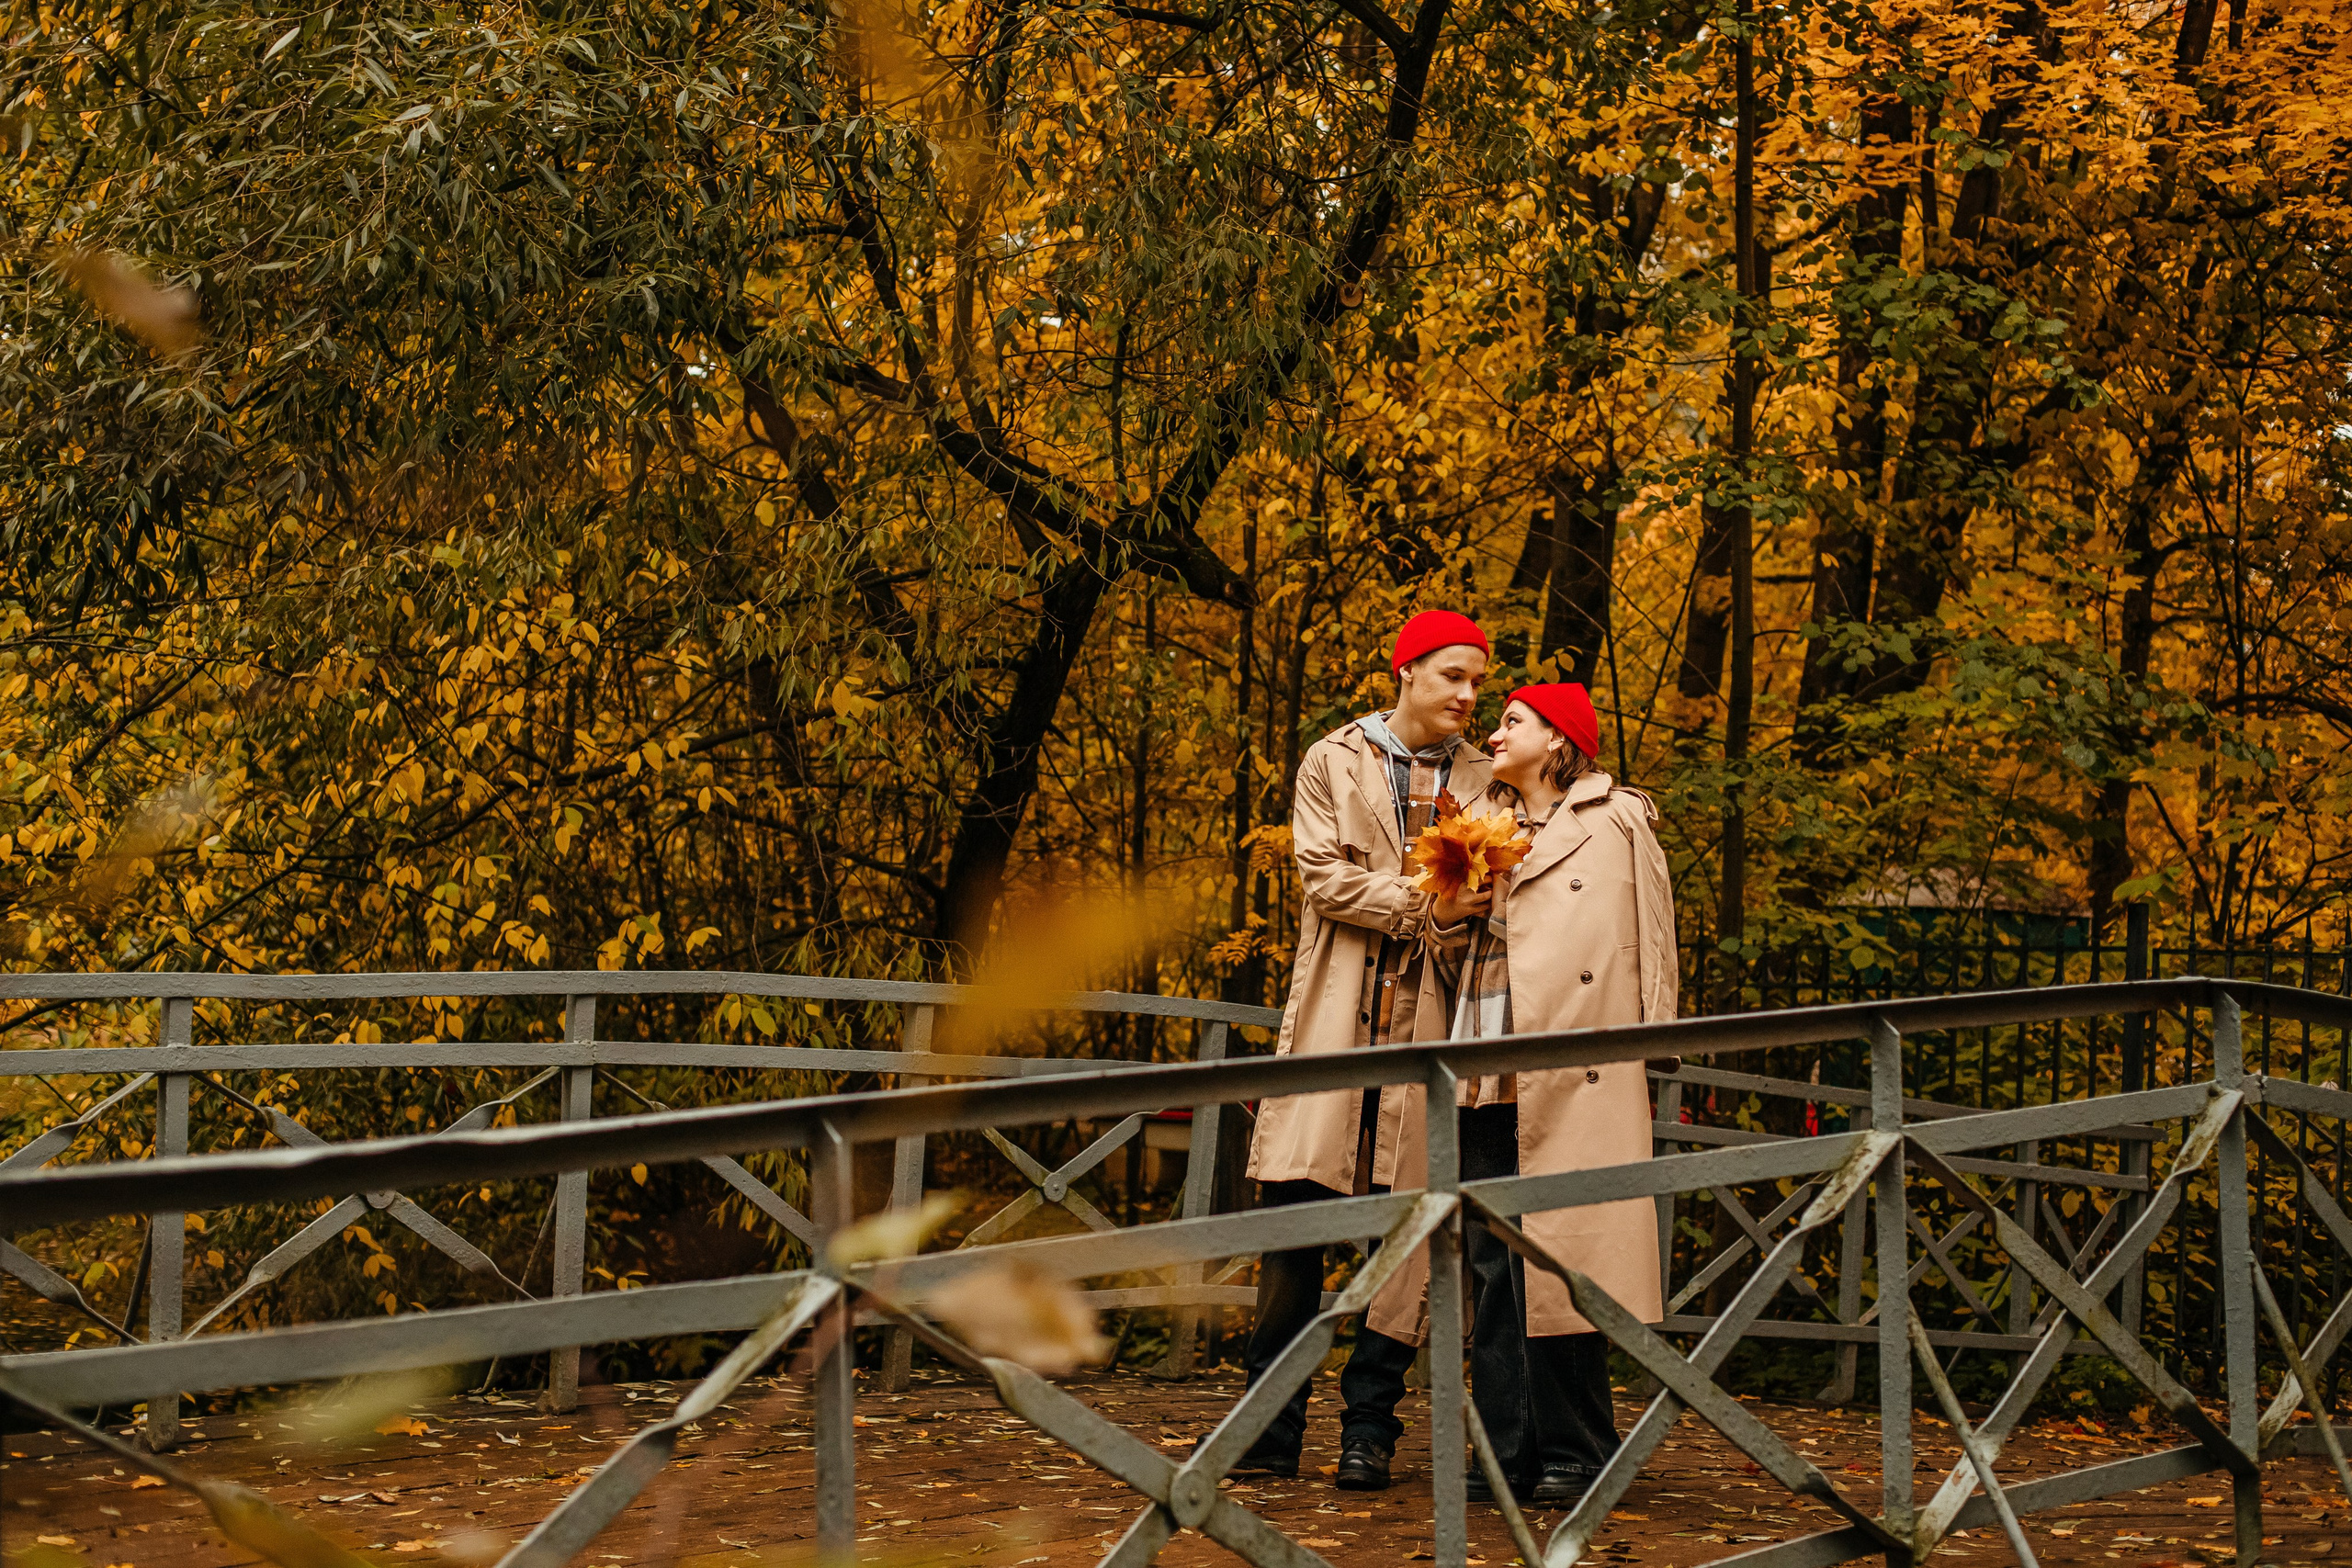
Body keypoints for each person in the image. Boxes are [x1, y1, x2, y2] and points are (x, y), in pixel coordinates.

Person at [1236, 611, 1498, 1491]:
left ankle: (1369, 1433)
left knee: (1408, 1243)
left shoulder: (1488, 778)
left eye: (1477, 682)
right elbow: (1326, 880)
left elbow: (1491, 898)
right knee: (1293, 1231)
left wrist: (1445, 908)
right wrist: (1430, 904)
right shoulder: (1331, 759)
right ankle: (1268, 1434)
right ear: (1407, 670)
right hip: (1335, 1023)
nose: (1469, 696)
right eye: (1453, 676)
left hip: (1429, 1035)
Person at [1432, 682, 1677, 1508]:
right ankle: (1503, 1450)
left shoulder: (1618, 820)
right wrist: (1444, 914)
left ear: (1559, 738)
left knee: (1569, 1254)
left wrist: (1654, 1043)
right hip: (1487, 1052)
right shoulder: (1477, 818)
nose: (1494, 733)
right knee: (1494, 1263)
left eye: (1513, 721)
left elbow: (1654, 933)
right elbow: (1446, 948)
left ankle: (1578, 1448)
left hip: (1577, 1063)